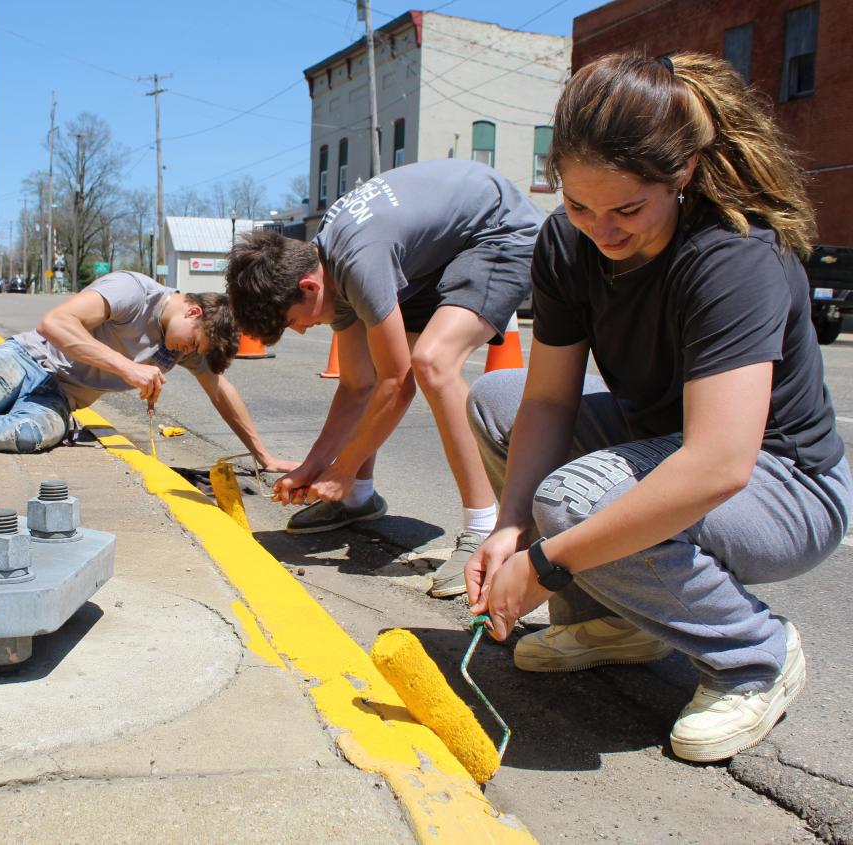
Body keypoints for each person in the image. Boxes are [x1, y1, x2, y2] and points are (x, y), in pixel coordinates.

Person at [465, 52, 851, 763]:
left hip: (784, 482)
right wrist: (511, 525)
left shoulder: (733, 254)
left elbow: (715, 465)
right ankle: (618, 621)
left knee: (575, 502)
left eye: (627, 210)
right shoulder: (568, 242)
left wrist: (547, 562)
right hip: (665, 441)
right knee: (498, 399)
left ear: (684, 176)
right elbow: (547, 398)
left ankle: (754, 655)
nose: (601, 231)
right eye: (579, 205)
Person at [227, 159, 543, 598]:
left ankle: (486, 528)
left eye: (294, 321)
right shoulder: (325, 266)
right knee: (377, 372)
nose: (300, 331)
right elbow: (358, 384)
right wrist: (314, 468)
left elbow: (397, 385)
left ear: (309, 288)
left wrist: (343, 466)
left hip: (498, 232)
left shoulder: (358, 261)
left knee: (432, 363)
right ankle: (356, 500)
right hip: (433, 257)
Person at [0, 270, 297, 473]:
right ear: (193, 312)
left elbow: (221, 391)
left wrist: (263, 456)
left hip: (58, 400)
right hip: (24, 361)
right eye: (193, 343)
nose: (186, 352)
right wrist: (128, 368)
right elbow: (54, 323)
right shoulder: (132, 291)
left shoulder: (180, 345)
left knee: (27, 437)